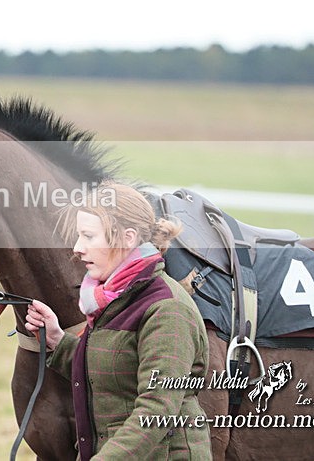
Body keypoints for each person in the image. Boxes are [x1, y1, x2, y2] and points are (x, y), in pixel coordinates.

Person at [25, 182, 211, 460]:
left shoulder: (167, 309)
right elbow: (116, 369)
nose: (77, 248)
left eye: (88, 236)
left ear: (127, 238)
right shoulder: (114, 296)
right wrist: (59, 343)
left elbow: (157, 408)